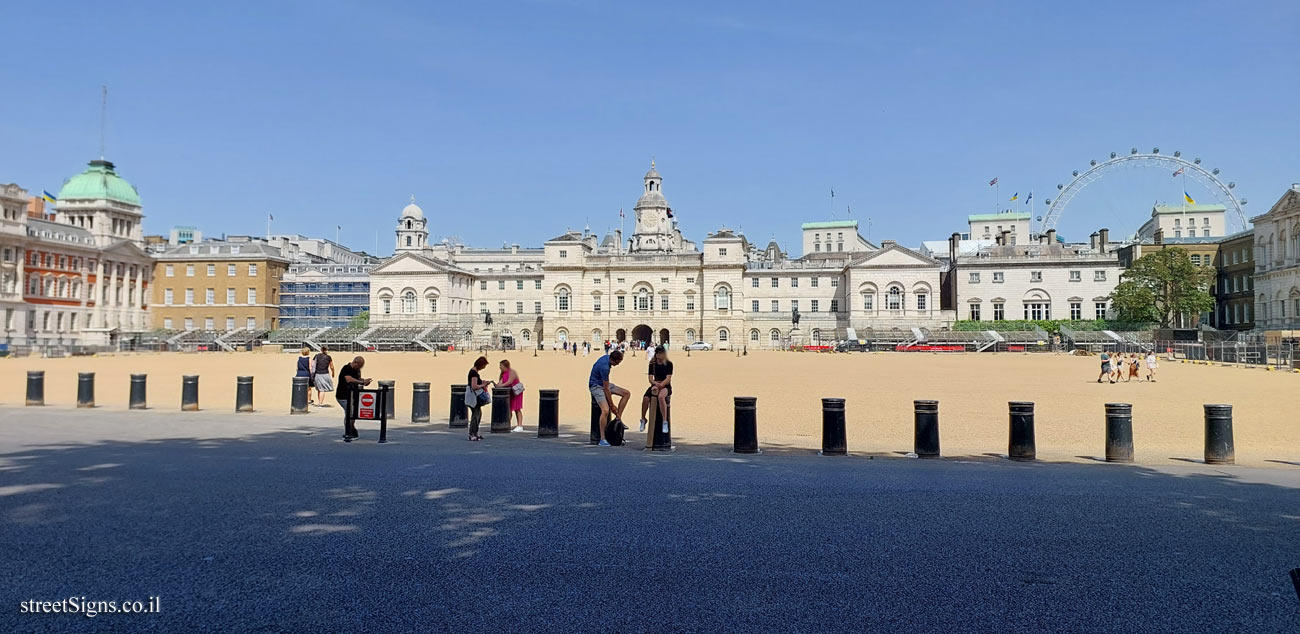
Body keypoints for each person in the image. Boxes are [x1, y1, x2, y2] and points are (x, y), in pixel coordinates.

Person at [589, 350, 630, 446]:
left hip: (603, 383)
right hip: (596, 386)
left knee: (626, 393)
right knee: (606, 410)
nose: (617, 365)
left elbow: (606, 386)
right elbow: (606, 388)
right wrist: (611, 405)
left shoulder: (607, 357)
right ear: (612, 359)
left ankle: (618, 419)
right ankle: (602, 439)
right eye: (616, 363)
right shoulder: (604, 368)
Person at [335, 356, 372, 441]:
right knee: (350, 413)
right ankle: (350, 431)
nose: (359, 368)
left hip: (353, 395)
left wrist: (364, 382)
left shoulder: (357, 370)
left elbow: (357, 380)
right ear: (356, 363)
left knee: (352, 414)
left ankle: (351, 430)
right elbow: (349, 379)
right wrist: (361, 382)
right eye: (359, 366)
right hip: (343, 395)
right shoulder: (346, 368)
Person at [639, 346, 673, 433]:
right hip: (655, 384)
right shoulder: (652, 364)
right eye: (657, 353)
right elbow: (650, 378)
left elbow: (668, 378)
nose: (658, 355)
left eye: (660, 353)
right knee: (645, 398)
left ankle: (664, 421)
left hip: (665, 385)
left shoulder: (669, 364)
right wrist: (656, 384)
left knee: (661, 397)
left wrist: (661, 385)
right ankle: (643, 419)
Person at [466, 356, 493, 441]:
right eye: (484, 366)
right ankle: (472, 434)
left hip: (473, 396)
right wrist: (483, 385)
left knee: (477, 414)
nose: (484, 367)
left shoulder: (474, 372)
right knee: (476, 415)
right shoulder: (474, 373)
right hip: (474, 397)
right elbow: (474, 386)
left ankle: (475, 433)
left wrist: (483, 382)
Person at [496, 359, 525, 432]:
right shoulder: (503, 374)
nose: (499, 367)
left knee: (517, 408)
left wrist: (501, 386)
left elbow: (509, 382)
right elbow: (501, 382)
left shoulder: (512, 372)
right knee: (509, 409)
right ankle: (507, 423)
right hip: (510, 393)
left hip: (516, 392)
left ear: (505, 366)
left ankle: (520, 425)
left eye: (500, 365)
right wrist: (497, 385)